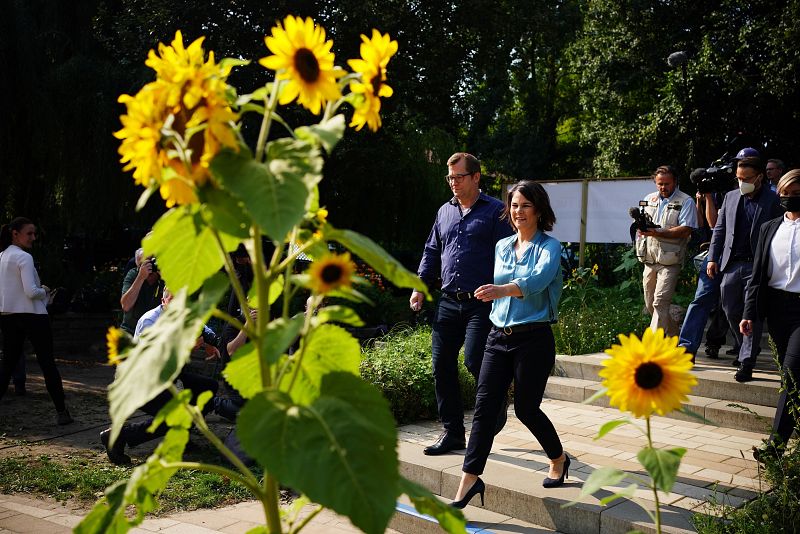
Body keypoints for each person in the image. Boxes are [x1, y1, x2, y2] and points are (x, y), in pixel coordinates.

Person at [451, 181, 567, 509]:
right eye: (514, 205)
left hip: (534, 338)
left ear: (539, 210)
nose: (518, 211)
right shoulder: (502, 245)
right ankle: (469, 480)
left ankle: (558, 459)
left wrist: (502, 290)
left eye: (525, 205)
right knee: (485, 409)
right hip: (497, 336)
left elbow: (538, 280)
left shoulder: (550, 247)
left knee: (526, 409)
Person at [410, 152, 514, 456]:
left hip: (481, 303)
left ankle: (496, 404)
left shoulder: (496, 212)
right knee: (441, 365)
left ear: (476, 177)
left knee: (473, 360)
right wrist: (419, 287)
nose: (453, 183)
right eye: (450, 177)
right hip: (447, 300)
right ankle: (453, 433)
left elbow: (509, 255)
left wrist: (504, 291)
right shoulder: (445, 211)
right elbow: (432, 250)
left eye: (459, 176)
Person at [100, 288, 219, 465]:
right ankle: (118, 436)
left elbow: (207, 331)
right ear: (164, 301)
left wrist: (210, 341)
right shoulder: (150, 321)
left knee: (208, 388)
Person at [740, 169, 800, 459]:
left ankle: (775, 447)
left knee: (791, 375)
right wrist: (749, 312)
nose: (789, 199)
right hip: (776, 308)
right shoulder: (769, 227)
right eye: (785, 194)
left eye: (796, 194)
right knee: (791, 377)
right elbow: (757, 275)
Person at [707, 156, 782, 382]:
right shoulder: (730, 197)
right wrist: (712, 258)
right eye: (739, 178)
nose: (742, 182)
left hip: (758, 264)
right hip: (732, 263)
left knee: (752, 313)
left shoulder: (773, 199)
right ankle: (745, 348)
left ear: (759, 176)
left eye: (747, 178)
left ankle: (746, 361)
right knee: (730, 309)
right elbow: (719, 231)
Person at [0, 217, 73, 424]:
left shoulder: (2, 257)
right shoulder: (24, 257)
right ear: (15, 233)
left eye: (34, 233)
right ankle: (62, 412)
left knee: (7, 366)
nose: (33, 237)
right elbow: (31, 292)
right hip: (33, 315)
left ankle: (62, 413)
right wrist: (45, 291)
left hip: (8, 315)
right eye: (29, 233)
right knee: (47, 363)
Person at [635, 165, 698, 336]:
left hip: (670, 260)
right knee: (650, 304)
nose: (663, 187)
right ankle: (673, 336)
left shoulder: (686, 201)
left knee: (660, 302)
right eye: (660, 184)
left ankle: (653, 346)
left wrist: (657, 232)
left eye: (667, 183)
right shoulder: (649, 199)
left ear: (675, 182)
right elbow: (641, 224)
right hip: (649, 259)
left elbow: (686, 230)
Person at [678, 187, 732, 362]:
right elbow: (702, 225)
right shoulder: (714, 195)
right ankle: (685, 350)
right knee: (700, 301)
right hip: (712, 254)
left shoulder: (734, 196)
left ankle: (746, 354)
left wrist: (708, 197)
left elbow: (715, 224)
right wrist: (702, 200)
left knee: (732, 307)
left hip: (737, 257)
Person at [119, 248, 164, 335]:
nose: (147, 267)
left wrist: (165, 276)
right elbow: (126, 306)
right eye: (142, 264)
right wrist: (140, 277)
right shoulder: (133, 275)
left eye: (149, 262)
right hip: (131, 330)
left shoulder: (164, 277)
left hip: (158, 332)